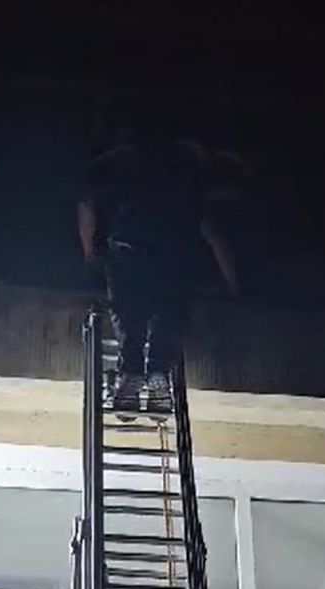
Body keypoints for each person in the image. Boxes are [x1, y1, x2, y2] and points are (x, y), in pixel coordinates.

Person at [78, 136, 239, 415]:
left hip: (144, 251)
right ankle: (151, 375)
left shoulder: (136, 170)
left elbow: (86, 205)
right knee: (159, 311)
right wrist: (232, 284)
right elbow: (214, 235)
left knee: (137, 312)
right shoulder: (177, 178)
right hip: (158, 253)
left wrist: (90, 255)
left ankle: (141, 376)